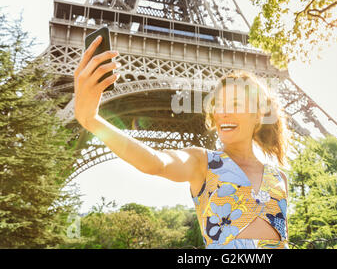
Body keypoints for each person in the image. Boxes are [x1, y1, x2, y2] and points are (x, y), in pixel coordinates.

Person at [73, 36, 291, 249]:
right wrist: (91, 120)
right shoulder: (203, 162)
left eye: (235, 104)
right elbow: (156, 162)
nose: (223, 113)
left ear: (259, 114)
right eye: (219, 105)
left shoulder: (279, 178)